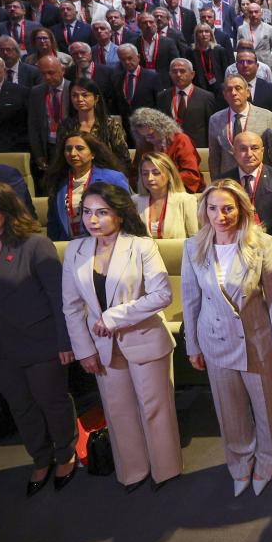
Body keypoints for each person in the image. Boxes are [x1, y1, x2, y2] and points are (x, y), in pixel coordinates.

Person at [0, 179, 77, 496]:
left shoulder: (34, 244)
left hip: (41, 341)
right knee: (20, 407)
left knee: (52, 402)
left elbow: (57, 296)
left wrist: (66, 341)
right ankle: (40, 457)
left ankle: (65, 454)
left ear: (7, 210)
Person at [61, 182, 181, 492]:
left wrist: (113, 317)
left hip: (145, 340)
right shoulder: (75, 250)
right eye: (87, 212)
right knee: (117, 410)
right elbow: (72, 308)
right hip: (101, 347)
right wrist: (83, 350)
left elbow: (161, 295)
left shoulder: (141, 245)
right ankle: (134, 471)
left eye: (102, 212)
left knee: (154, 408)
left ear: (119, 214)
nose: (93, 220)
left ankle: (164, 469)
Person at [181, 180, 272, 497]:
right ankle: (240, 463)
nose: (220, 216)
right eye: (213, 208)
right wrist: (192, 345)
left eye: (227, 208)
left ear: (241, 209)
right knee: (229, 411)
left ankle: (267, 462)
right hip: (215, 339)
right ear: (205, 211)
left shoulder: (263, 244)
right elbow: (190, 300)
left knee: (265, 407)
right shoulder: (194, 247)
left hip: (256, 339)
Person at [45, 130, 130, 240]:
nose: (73, 153)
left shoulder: (112, 178)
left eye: (79, 148)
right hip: (69, 246)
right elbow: (53, 223)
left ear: (93, 153)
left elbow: (127, 215)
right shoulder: (58, 181)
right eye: (68, 149)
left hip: (105, 244)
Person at [216, 131, 272, 237]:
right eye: (243, 149)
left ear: (262, 151)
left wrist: (271, 243)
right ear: (234, 152)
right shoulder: (222, 181)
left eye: (254, 148)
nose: (249, 154)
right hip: (232, 242)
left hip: (269, 242)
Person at [52, 78, 130, 172]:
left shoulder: (111, 125)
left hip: (106, 177)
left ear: (96, 98)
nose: (79, 99)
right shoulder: (66, 126)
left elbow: (123, 159)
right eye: (75, 95)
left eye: (85, 95)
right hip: (74, 176)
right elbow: (59, 159)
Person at [128, 107, 204, 195]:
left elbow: (191, 175)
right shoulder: (144, 143)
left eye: (151, 135)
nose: (148, 140)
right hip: (151, 193)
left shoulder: (181, 140)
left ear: (161, 127)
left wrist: (161, 182)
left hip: (181, 192)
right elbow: (135, 173)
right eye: (144, 136)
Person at [133, 151, 200, 239]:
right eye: (145, 174)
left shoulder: (186, 200)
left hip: (176, 252)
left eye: (156, 173)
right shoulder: (135, 201)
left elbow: (195, 239)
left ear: (169, 175)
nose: (150, 178)